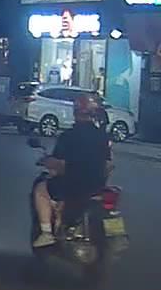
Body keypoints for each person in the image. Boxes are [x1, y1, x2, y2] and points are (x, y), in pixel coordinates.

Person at [32, 94, 113, 247]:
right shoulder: (103, 136)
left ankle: (46, 233)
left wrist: (46, 161)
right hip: (96, 186)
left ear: (76, 112)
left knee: (41, 190)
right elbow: (108, 165)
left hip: (71, 185)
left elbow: (60, 165)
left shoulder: (68, 136)